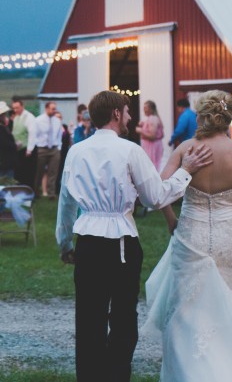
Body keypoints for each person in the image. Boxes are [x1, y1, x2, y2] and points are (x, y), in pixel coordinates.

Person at [57, 90, 213, 382]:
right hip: (121, 244)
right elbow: (155, 197)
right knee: (123, 318)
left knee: (88, 318)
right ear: (116, 114)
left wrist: (65, 242)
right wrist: (185, 171)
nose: (130, 117)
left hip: (87, 243)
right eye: (127, 111)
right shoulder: (130, 151)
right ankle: (116, 375)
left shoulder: (76, 151)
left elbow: (65, 203)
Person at [145, 90, 232, 381]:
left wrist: (171, 220)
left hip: (191, 235)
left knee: (188, 307)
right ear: (228, 117)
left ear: (200, 115)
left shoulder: (187, 148)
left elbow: (159, 193)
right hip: (230, 235)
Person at [32, 101, 63, 199]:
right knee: (39, 172)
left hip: (54, 148)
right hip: (42, 149)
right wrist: (38, 145)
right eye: (52, 108)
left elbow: (59, 135)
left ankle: (51, 194)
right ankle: (36, 192)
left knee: (53, 172)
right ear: (46, 109)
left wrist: (59, 147)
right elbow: (34, 135)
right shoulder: (38, 120)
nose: (54, 110)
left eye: (55, 108)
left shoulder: (57, 121)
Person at [11, 99, 36, 188]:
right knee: (19, 173)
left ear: (22, 106)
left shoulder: (29, 117)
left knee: (28, 173)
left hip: (26, 149)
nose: (15, 110)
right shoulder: (16, 117)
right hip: (18, 149)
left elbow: (32, 133)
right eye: (14, 108)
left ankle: (29, 192)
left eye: (17, 108)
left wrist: (29, 149)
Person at [137, 100, 165, 172]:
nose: (144, 110)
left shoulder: (153, 118)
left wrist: (141, 130)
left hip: (152, 148)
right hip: (152, 147)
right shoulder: (154, 118)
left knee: (151, 168)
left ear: (151, 109)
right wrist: (144, 125)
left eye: (146, 108)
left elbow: (152, 136)